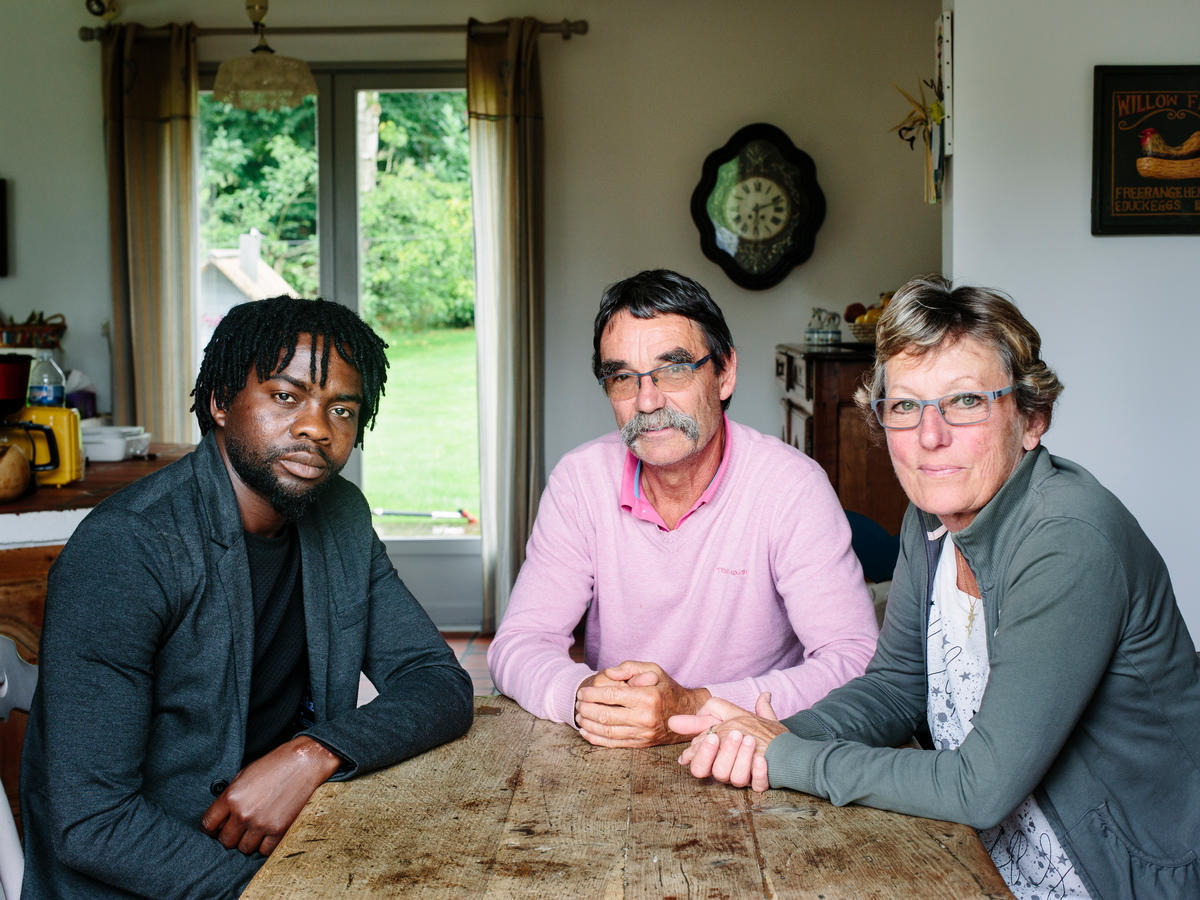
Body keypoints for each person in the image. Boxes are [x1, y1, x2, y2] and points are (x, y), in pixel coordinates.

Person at [671, 275, 1200, 899]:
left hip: (1121, 879)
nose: (930, 436)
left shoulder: (1068, 537)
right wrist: (784, 732)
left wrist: (787, 758)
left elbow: (982, 786)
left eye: (967, 402)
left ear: (1031, 419)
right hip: (986, 860)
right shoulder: (930, 519)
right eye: (905, 406)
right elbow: (897, 687)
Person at [21, 297, 474, 898]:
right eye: (285, 397)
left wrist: (314, 753)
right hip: (147, 878)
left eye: (341, 409)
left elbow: (436, 679)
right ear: (220, 403)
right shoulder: (128, 549)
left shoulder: (340, 517)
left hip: (288, 842)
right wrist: (284, 890)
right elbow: (93, 824)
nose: (317, 427)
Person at [487, 269, 878, 748]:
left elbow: (854, 660)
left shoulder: (791, 487)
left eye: (673, 369)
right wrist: (582, 695)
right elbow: (518, 643)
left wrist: (696, 706)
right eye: (623, 378)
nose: (647, 401)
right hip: (613, 761)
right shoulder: (579, 481)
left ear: (724, 374)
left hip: (752, 760)